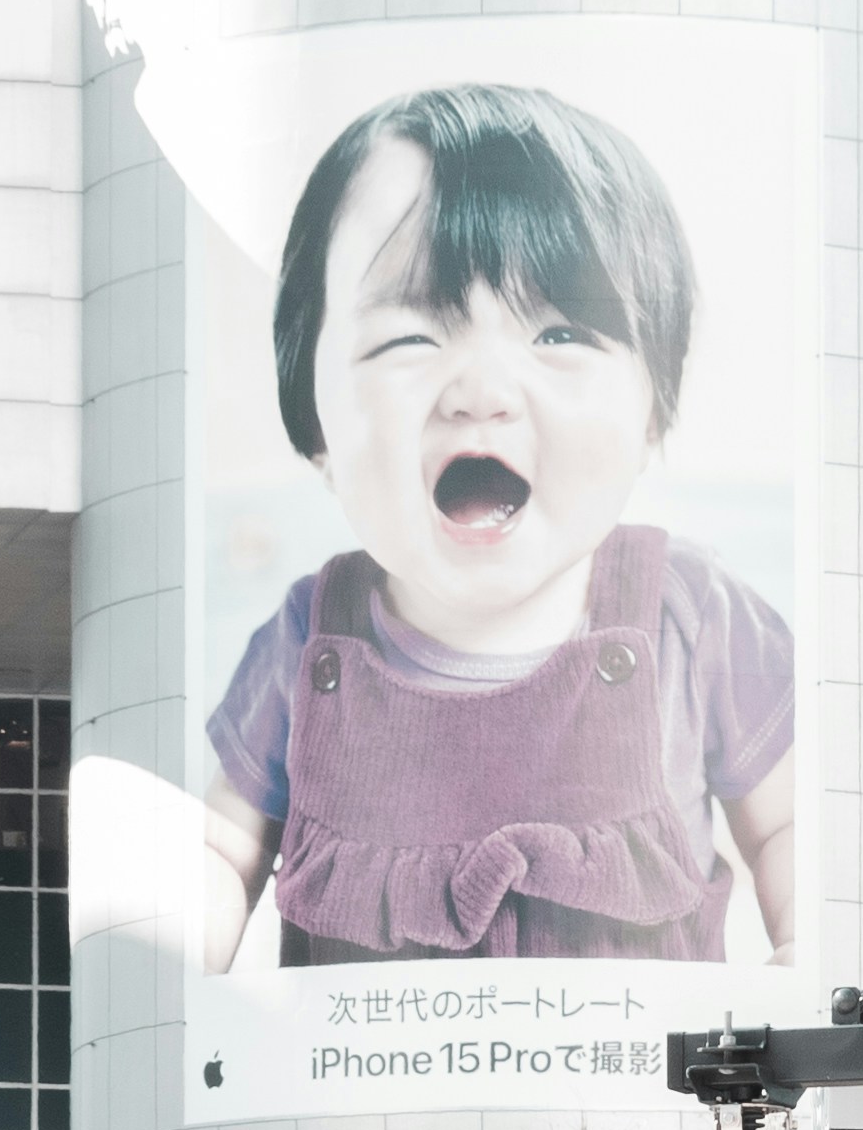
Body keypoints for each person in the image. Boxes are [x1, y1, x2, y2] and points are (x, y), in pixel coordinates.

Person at [204, 80, 798, 973]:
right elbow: (218, 848)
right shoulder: (304, 639)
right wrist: (183, 964)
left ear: (653, 412)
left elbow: (793, 823)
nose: (480, 393)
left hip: (631, 1103)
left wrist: (803, 949)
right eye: (409, 339)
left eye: (560, 335)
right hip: (365, 1104)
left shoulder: (694, 616)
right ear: (315, 423)